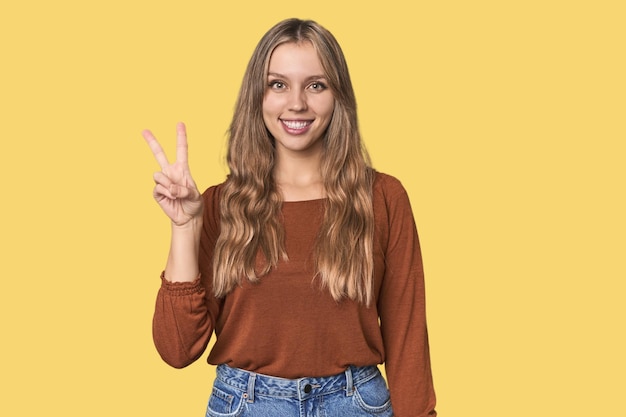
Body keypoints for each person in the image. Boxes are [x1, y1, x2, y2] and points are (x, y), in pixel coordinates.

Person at [142, 18, 437, 417]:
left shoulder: (383, 198)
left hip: (356, 405)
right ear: (257, 96)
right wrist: (184, 226)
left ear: (338, 96)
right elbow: (178, 349)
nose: (296, 103)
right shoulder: (218, 205)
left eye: (316, 85)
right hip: (245, 405)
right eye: (277, 84)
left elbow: (407, 336)